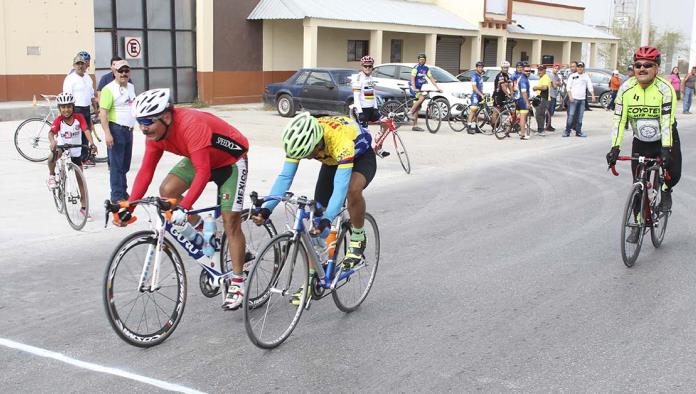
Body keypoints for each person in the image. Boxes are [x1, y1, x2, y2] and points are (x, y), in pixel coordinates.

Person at [121, 88, 250, 310]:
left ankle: (238, 282)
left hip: (231, 161)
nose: (143, 127)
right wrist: (129, 205)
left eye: (148, 121)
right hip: (202, 154)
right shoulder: (154, 134)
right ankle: (203, 231)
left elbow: (202, 172)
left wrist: (186, 207)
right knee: (167, 190)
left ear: (166, 117)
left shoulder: (191, 125)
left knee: (231, 222)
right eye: (140, 121)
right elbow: (145, 171)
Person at [252, 112, 376, 304]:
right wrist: (266, 209)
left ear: (317, 144)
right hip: (331, 160)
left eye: (308, 154)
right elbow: (285, 177)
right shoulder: (299, 138)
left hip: (360, 156)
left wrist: (329, 217)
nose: (307, 159)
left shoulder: (339, 141)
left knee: (352, 190)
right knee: (316, 225)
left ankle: (358, 236)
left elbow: (340, 188)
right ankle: (313, 277)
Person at [606, 46, 682, 243]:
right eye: (637, 65)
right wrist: (615, 148)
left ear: (656, 68)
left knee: (673, 173)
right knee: (637, 183)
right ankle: (637, 223)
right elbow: (619, 120)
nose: (642, 68)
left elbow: (666, 121)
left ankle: (665, 190)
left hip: (664, 137)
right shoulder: (626, 88)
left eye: (647, 65)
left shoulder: (665, 89)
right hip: (641, 140)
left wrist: (666, 149)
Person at [47, 92, 95, 219]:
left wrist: (92, 143)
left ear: (73, 107)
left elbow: (86, 130)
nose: (66, 109)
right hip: (62, 149)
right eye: (63, 107)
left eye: (68, 106)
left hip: (76, 152)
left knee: (81, 180)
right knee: (51, 156)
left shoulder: (79, 118)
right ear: (59, 109)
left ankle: (84, 208)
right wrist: (53, 142)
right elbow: (51, 133)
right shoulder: (59, 120)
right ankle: (52, 176)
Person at [98, 60, 136, 203]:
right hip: (116, 129)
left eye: (126, 71)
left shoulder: (131, 87)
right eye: (121, 71)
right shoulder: (109, 89)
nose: (124, 74)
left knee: (125, 165)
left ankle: (123, 192)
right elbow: (103, 113)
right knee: (116, 166)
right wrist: (107, 133)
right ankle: (116, 196)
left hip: (129, 130)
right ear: (115, 72)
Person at [63, 53, 97, 167]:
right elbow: (67, 96)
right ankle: (77, 158)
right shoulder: (70, 79)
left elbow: (92, 95)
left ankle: (85, 157)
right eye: (77, 64)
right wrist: (69, 112)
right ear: (74, 65)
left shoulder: (87, 77)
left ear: (85, 65)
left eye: (82, 63)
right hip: (76, 109)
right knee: (77, 134)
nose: (80, 66)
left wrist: (96, 110)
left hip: (86, 108)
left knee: (86, 132)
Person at [352, 55, 388, 157]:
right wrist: (360, 112)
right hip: (362, 109)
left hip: (371, 108)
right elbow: (356, 97)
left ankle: (379, 146)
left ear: (372, 67)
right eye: (365, 66)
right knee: (365, 134)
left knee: (386, 124)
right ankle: (367, 153)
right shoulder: (358, 78)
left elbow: (373, 94)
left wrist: (376, 108)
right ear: (362, 66)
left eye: (370, 66)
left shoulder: (371, 78)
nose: (367, 68)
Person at [407, 54, 442, 132]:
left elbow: (431, 78)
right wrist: (414, 88)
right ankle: (410, 112)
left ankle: (415, 126)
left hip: (421, 88)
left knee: (418, 106)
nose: (422, 61)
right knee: (422, 97)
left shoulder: (426, 68)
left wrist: (438, 88)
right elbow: (412, 78)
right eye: (420, 59)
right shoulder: (416, 68)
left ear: (425, 60)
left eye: (423, 59)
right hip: (414, 87)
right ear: (418, 60)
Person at [564, 61, 595, 137]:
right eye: (578, 67)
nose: (580, 68)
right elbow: (568, 87)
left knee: (580, 116)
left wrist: (593, 95)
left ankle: (578, 132)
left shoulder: (586, 76)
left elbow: (590, 86)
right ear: (577, 68)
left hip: (582, 100)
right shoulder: (573, 76)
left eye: (581, 67)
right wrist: (570, 96)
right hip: (573, 99)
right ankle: (567, 131)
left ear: (583, 68)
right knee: (571, 115)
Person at [491, 60, 512, 127]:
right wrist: (508, 95)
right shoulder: (500, 76)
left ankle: (498, 125)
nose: (506, 69)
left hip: (503, 95)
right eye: (504, 67)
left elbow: (509, 85)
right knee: (496, 111)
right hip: (497, 95)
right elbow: (503, 87)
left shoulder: (507, 75)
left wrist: (512, 93)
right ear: (501, 68)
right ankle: (494, 127)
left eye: (507, 67)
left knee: (500, 112)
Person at [467, 61, 486, 134]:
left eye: (481, 67)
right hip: (475, 95)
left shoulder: (480, 76)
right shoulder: (474, 76)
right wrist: (480, 94)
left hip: (479, 95)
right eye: (479, 67)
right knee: (473, 111)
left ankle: (475, 127)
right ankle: (468, 127)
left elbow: (480, 86)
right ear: (476, 68)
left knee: (476, 113)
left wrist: (482, 93)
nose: (480, 68)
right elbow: (474, 88)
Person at [532, 65, 550, 136]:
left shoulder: (545, 77)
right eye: (539, 70)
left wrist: (536, 87)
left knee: (539, 114)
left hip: (543, 98)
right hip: (540, 98)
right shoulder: (542, 77)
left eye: (541, 70)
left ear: (545, 70)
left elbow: (545, 87)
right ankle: (540, 129)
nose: (539, 71)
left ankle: (541, 130)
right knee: (539, 114)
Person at [516, 65, 532, 140]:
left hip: (518, 99)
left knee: (518, 116)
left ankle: (507, 128)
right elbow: (524, 92)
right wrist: (527, 103)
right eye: (526, 71)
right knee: (523, 118)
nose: (528, 72)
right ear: (523, 71)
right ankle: (522, 134)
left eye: (529, 71)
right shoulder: (523, 80)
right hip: (522, 100)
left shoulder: (522, 78)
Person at [545, 64, 561, 131]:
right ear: (553, 68)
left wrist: (557, 83)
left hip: (554, 95)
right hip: (549, 95)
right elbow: (554, 85)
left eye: (557, 68)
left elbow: (560, 83)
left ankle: (549, 124)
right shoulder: (550, 75)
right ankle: (547, 125)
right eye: (555, 68)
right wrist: (556, 83)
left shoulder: (557, 75)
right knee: (549, 111)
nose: (556, 69)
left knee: (551, 111)